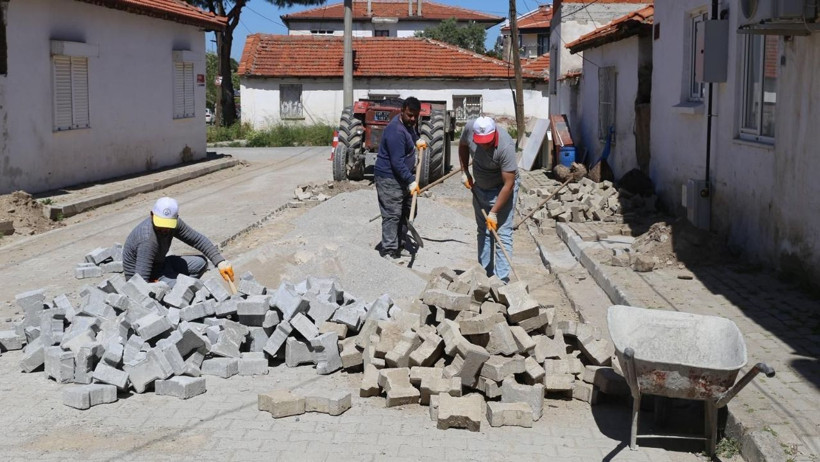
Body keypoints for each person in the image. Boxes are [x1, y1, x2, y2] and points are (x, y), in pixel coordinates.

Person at [123, 197, 235, 287]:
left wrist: (220, 262)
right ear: (152, 215)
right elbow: (139, 282)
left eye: (167, 225)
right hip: (145, 275)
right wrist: (155, 288)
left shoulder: (174, 223)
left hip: (161, 264)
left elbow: (197, 240)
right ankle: (175, 293)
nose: (164, 229)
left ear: (176, 218)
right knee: (186, 289)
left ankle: (180, 286)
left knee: (200, 263)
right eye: (160, 225)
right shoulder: (147, 240)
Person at [459, 116, 519, 283]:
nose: (484, 145)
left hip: (502, 188)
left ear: (494, 134)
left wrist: (494, 212)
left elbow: (509, 184)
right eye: (480, 142)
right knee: (483, 232)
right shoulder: (470, 128)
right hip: (480, 186)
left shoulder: (505, 145)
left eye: (487, 141)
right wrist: (465, 171)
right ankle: (484, 278)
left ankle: (501, 283)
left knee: (502, 232)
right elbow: (463, 146)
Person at [373, 97, 423, 260]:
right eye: (410, 115)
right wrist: (410, 180)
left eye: (416, 116)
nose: (413, 119)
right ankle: (388, 250)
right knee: (392, 214)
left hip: (401, 177)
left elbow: (412, 133)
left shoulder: (408, 125)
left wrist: (417, 140)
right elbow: (396, 162)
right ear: (402, 111)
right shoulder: (395, 131)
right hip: (389, 177)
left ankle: (400, 243)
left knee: (408, 211)